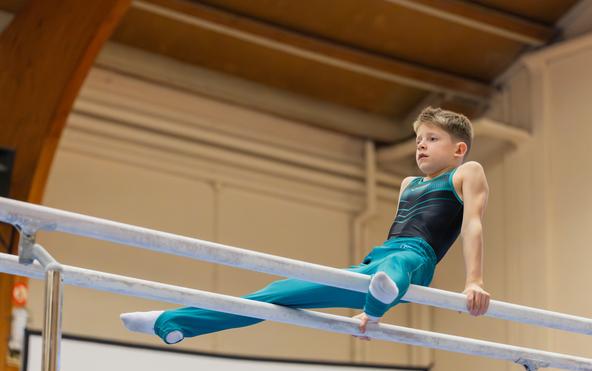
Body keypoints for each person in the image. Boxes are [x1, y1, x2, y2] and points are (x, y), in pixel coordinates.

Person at [121, 106, 491, 344]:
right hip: (373, 265)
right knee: (274, 295)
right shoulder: (408, 185)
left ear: (459, 150)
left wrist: (473, 281)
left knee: (397, 267)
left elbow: (472, 224)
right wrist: (370, 302)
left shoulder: (467, 172)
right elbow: (394, 235)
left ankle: (377, 302)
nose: (421, 147)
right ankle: (173, 323)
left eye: (432, 139)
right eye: (418, 140)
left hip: (415, 261)